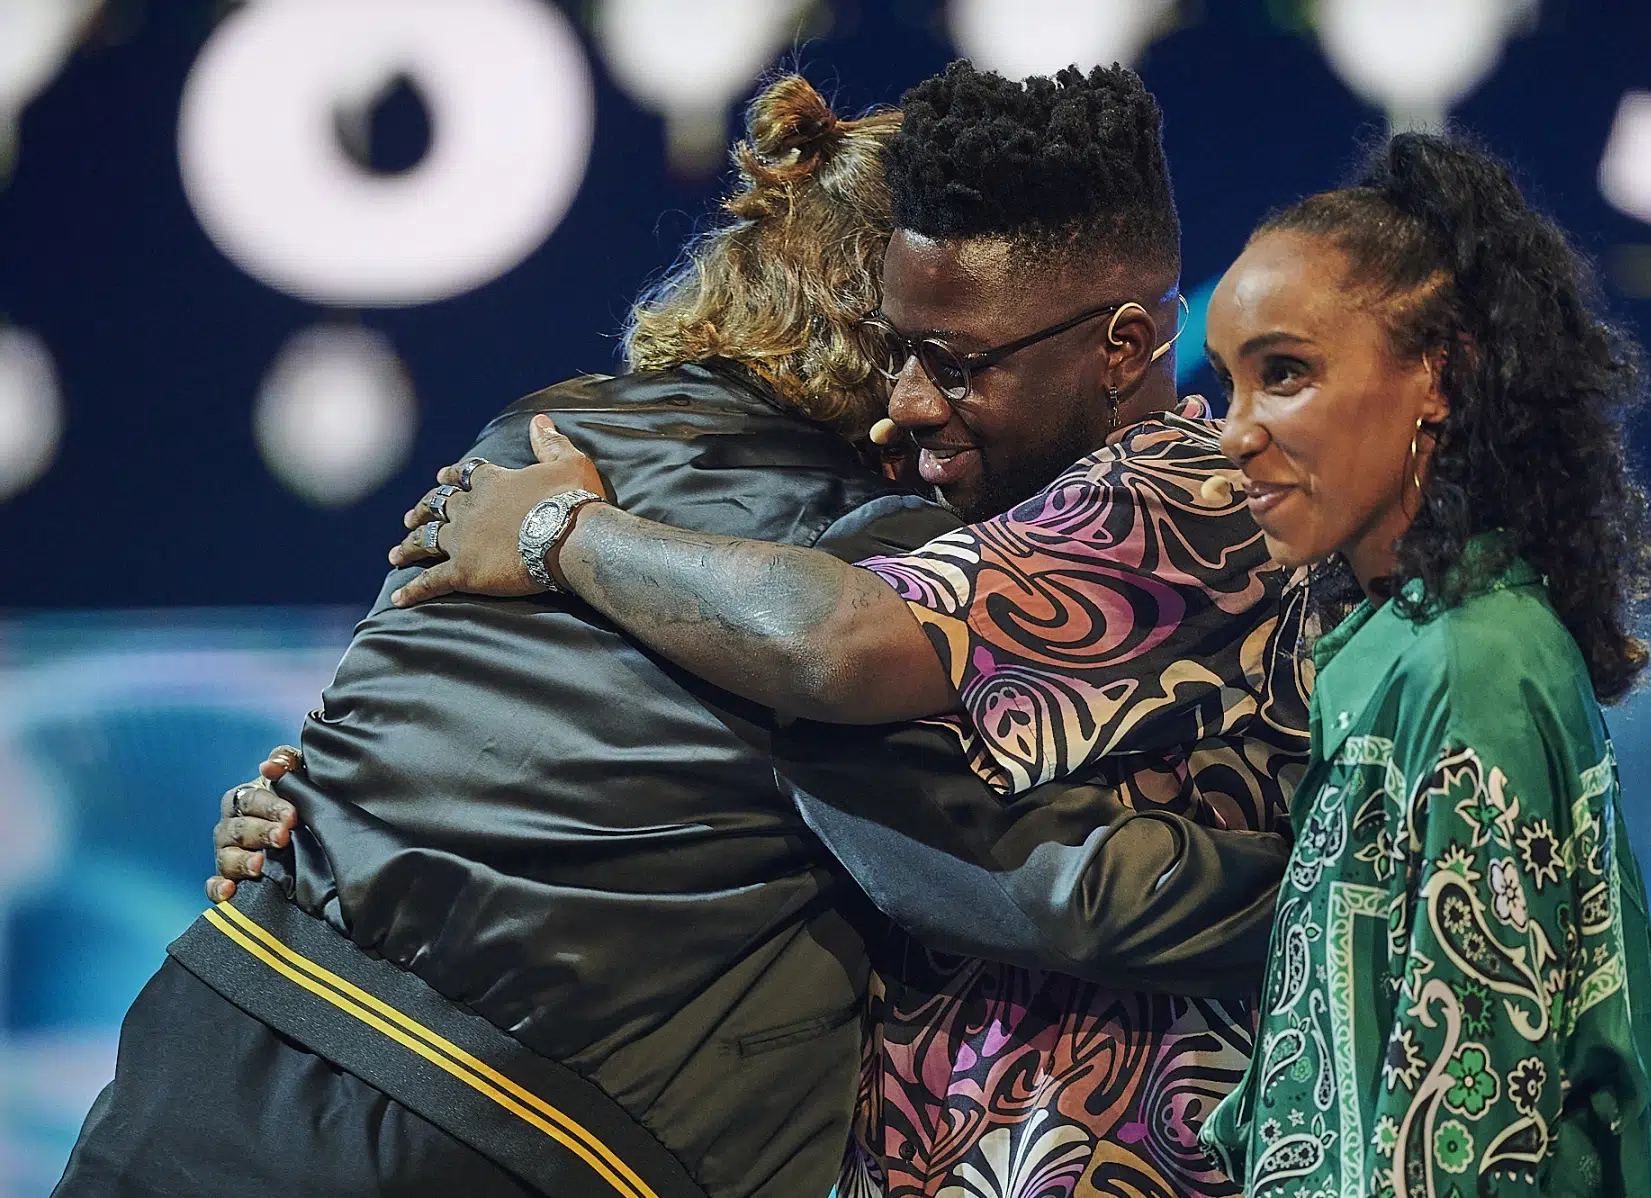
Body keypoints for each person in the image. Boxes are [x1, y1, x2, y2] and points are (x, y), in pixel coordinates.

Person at [78, 67, 1297, 1198]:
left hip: (215, 1028)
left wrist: (314, 818)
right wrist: (1303, 894)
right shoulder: (863, 537)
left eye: (953, 359)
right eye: (908, 351)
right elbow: (979, 853)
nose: (917, 398)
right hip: (504, 1121)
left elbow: (404, 725)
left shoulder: (543, 438)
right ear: (869, 312)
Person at [1189, 132, 1651, 1195]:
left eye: (1285, 374)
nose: (1235, 433)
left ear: (1440, 374)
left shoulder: (1468, 663)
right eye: (1230, 384)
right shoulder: (1405, 643)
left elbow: (1471, 1129)